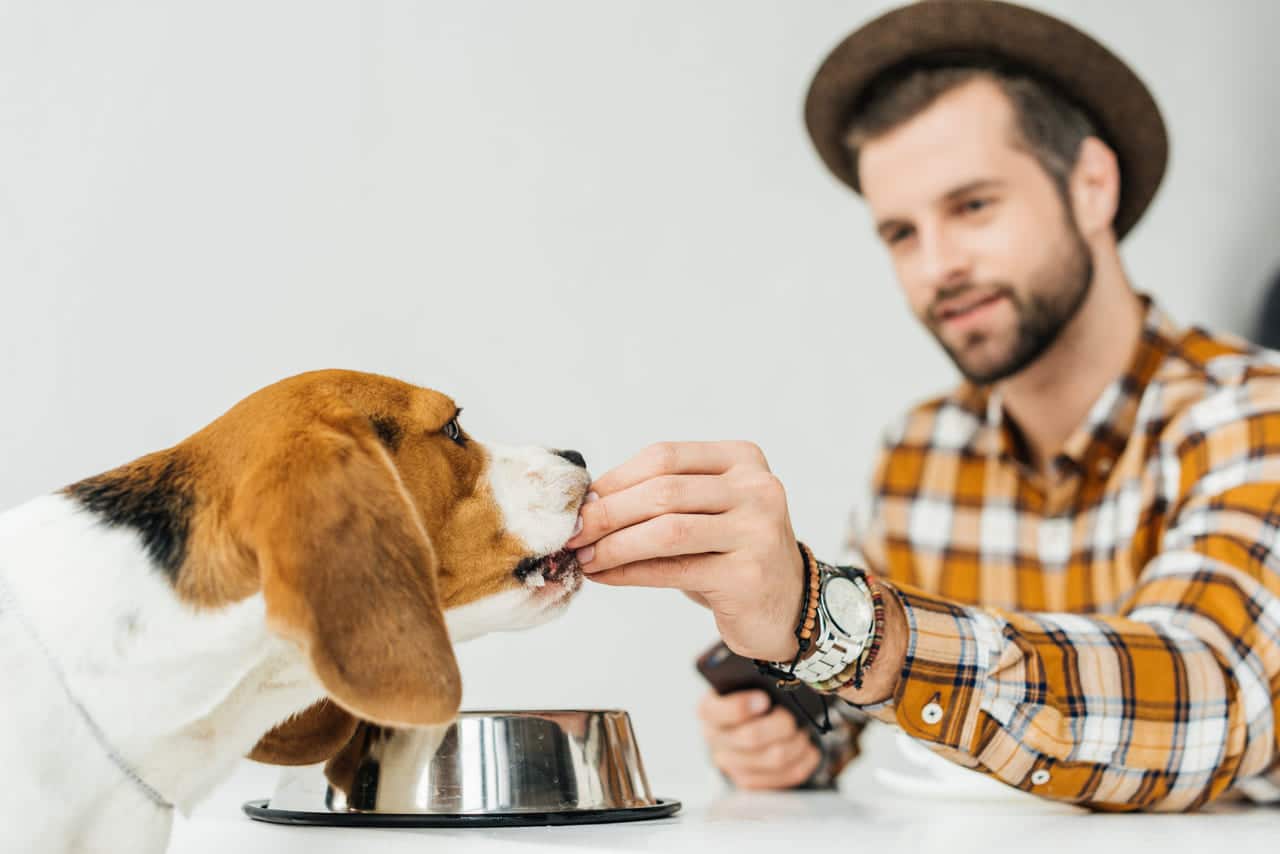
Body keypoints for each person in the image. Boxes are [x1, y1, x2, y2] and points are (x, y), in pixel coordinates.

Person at [565, 0, 1280, 811]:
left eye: (973, 206)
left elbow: (1211, 694)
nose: (936, 266)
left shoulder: (1257, 416)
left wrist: (830, 617)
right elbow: (857, 706)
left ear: (1091, 187)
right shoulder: (920, 451)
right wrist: (792, 728)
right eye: (901, 233)